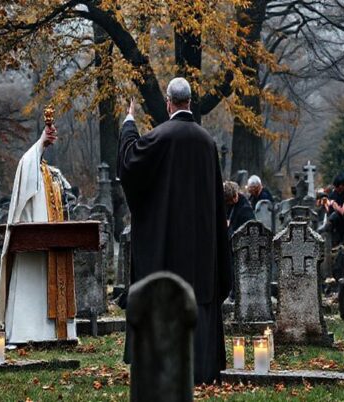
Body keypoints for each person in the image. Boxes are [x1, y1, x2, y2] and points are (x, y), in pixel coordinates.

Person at [118, 77, 232, 385]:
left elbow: (129, 163)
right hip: (201, 247)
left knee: (166, 296)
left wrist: (129, 122)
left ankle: (162, 365)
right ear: (190, 103)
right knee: (200, 295)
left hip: (167, 246)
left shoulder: (159, 138)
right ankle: (202, 368)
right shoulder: (207, 142)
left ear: (169, 102)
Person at [0, 119, 77, 344]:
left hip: (55, 240)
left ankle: (56, 333)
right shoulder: (27, 166)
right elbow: (26, 163)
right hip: (31, 240)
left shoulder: (51, 173)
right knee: (32, 287)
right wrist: (42, 141)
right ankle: (27, 332)